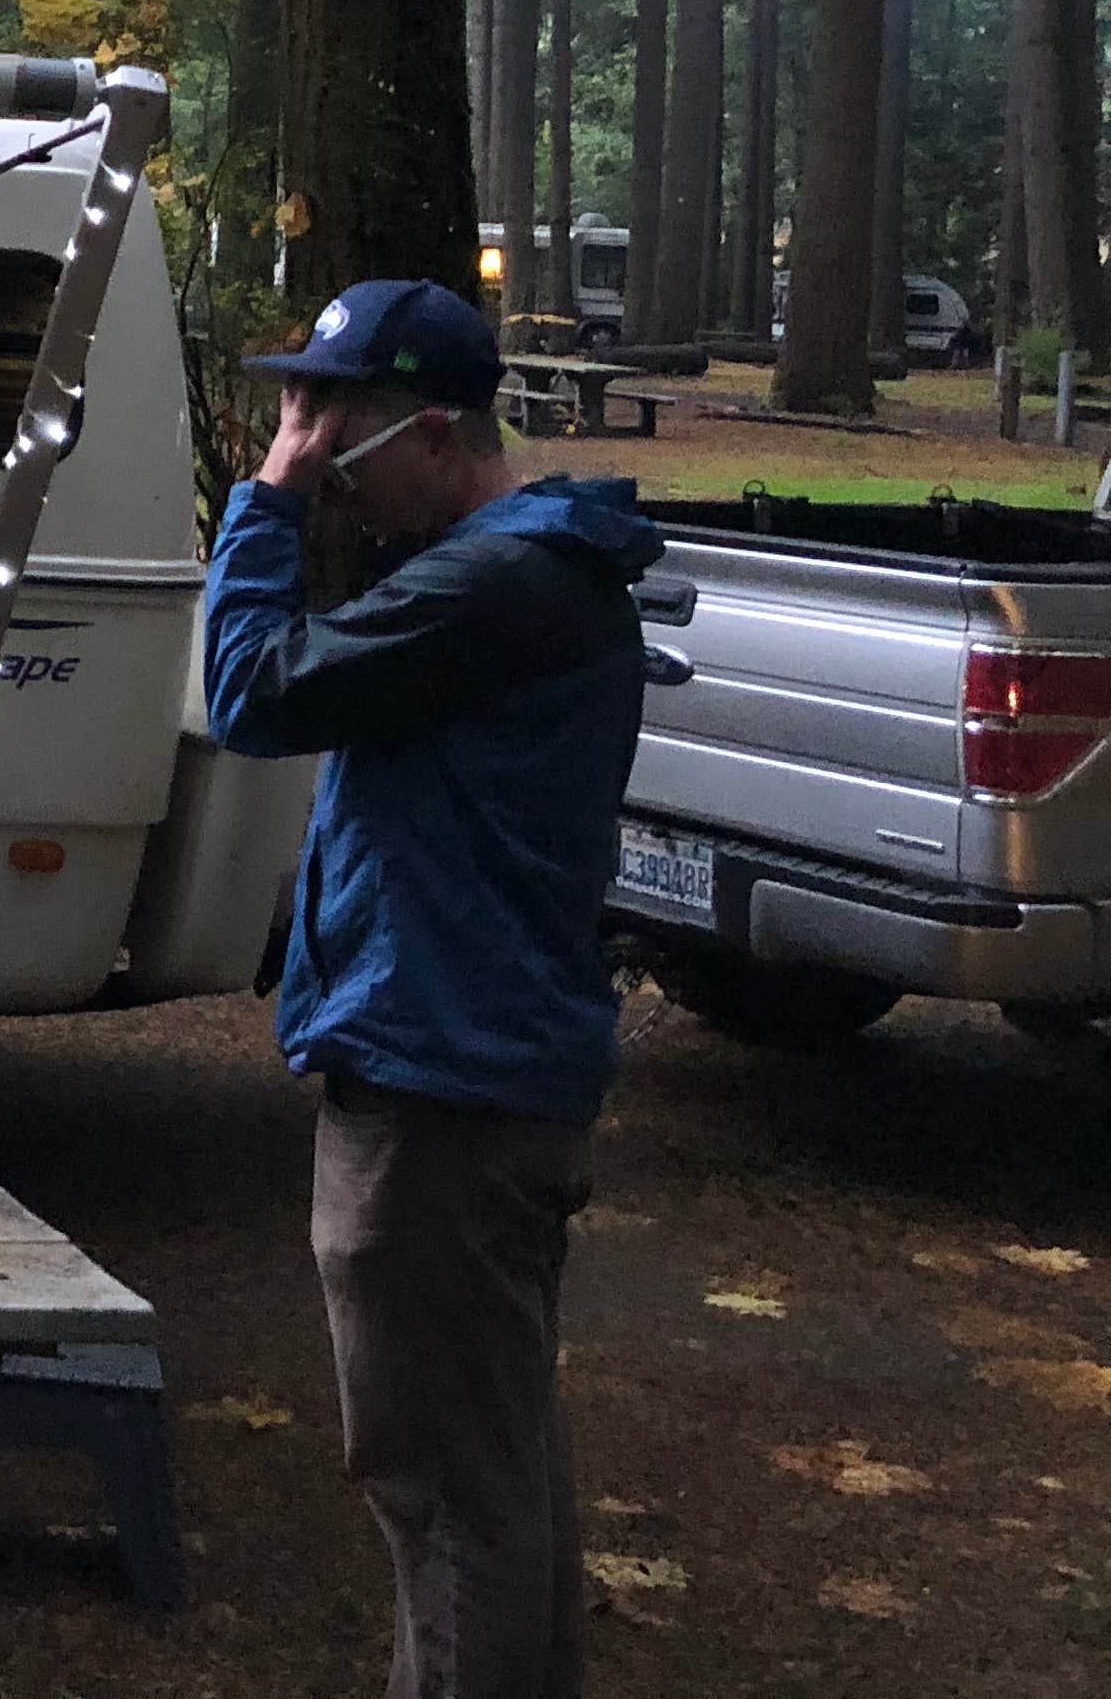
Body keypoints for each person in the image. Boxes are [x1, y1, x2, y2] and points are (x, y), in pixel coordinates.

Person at [202, 275, 665, 1699]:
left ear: (436, 431)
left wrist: (266, 502)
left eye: (338, 421)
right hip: (482, 1067)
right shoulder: (511, 571)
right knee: (497, 1468)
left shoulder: (495, 583)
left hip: (441, 1091)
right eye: (303, 420)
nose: (316, 448)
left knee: (443, 1491)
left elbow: (254, 692)